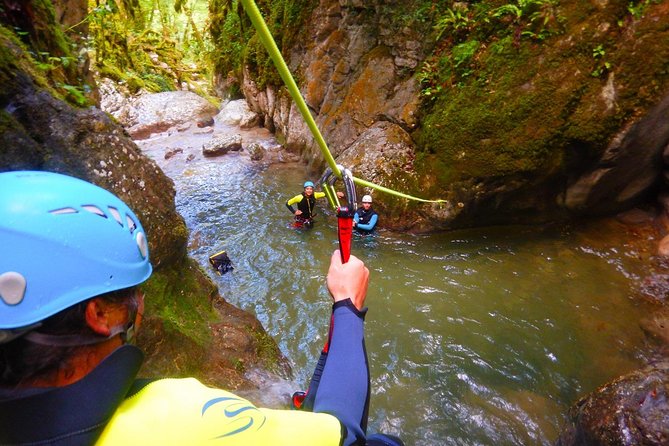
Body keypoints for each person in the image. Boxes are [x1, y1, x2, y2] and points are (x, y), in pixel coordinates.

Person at [0, 170, 402, 445]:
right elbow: (341, 433)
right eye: (133, 294)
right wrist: (348, 306)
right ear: (100, 314)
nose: (140, 307)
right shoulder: (179, 419)